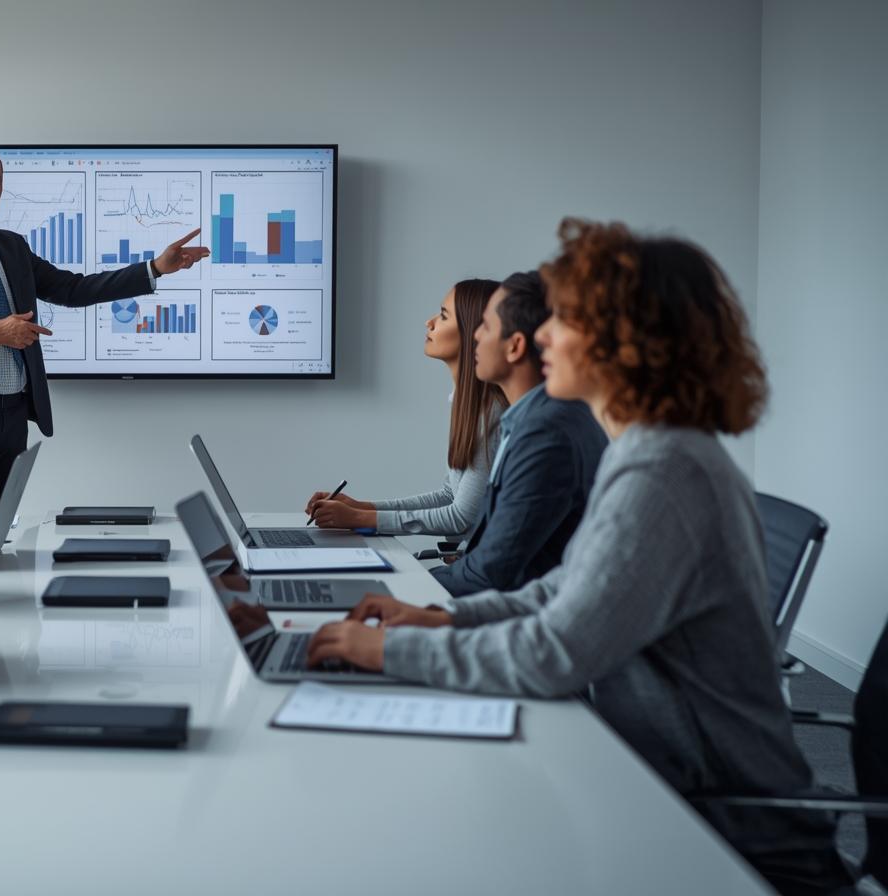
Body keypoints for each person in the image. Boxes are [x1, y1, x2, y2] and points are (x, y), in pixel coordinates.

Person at [306, 219, 852, 895]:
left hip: (716, 832)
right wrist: (443, 620)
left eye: (563, 321)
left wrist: (390, 651)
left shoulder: (664, 473)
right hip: (659, 785)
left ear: (624, 343)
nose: (543, 339)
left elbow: (555, 651)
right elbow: (560, 590)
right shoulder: (650, 451)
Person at [0, 141, 209, 506]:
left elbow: (73, 289)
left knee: (0, 530)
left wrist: (154, 269)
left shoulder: (12, 247)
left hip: (11, 418)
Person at [428, 270, 608, 596]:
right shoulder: (534, 420)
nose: (475, 336)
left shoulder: (545, 434)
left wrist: (410, 586)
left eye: (486, 326)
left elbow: (490, 572)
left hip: (514, 611)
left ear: (515, 346)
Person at [305, 278, 505, 536]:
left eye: (444, 316)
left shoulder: (491, 414)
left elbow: (462, 518)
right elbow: (450, 495)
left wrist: (359, 517)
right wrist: (361, 508)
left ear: (474, 332)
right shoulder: (464, 402)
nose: (430, 322)